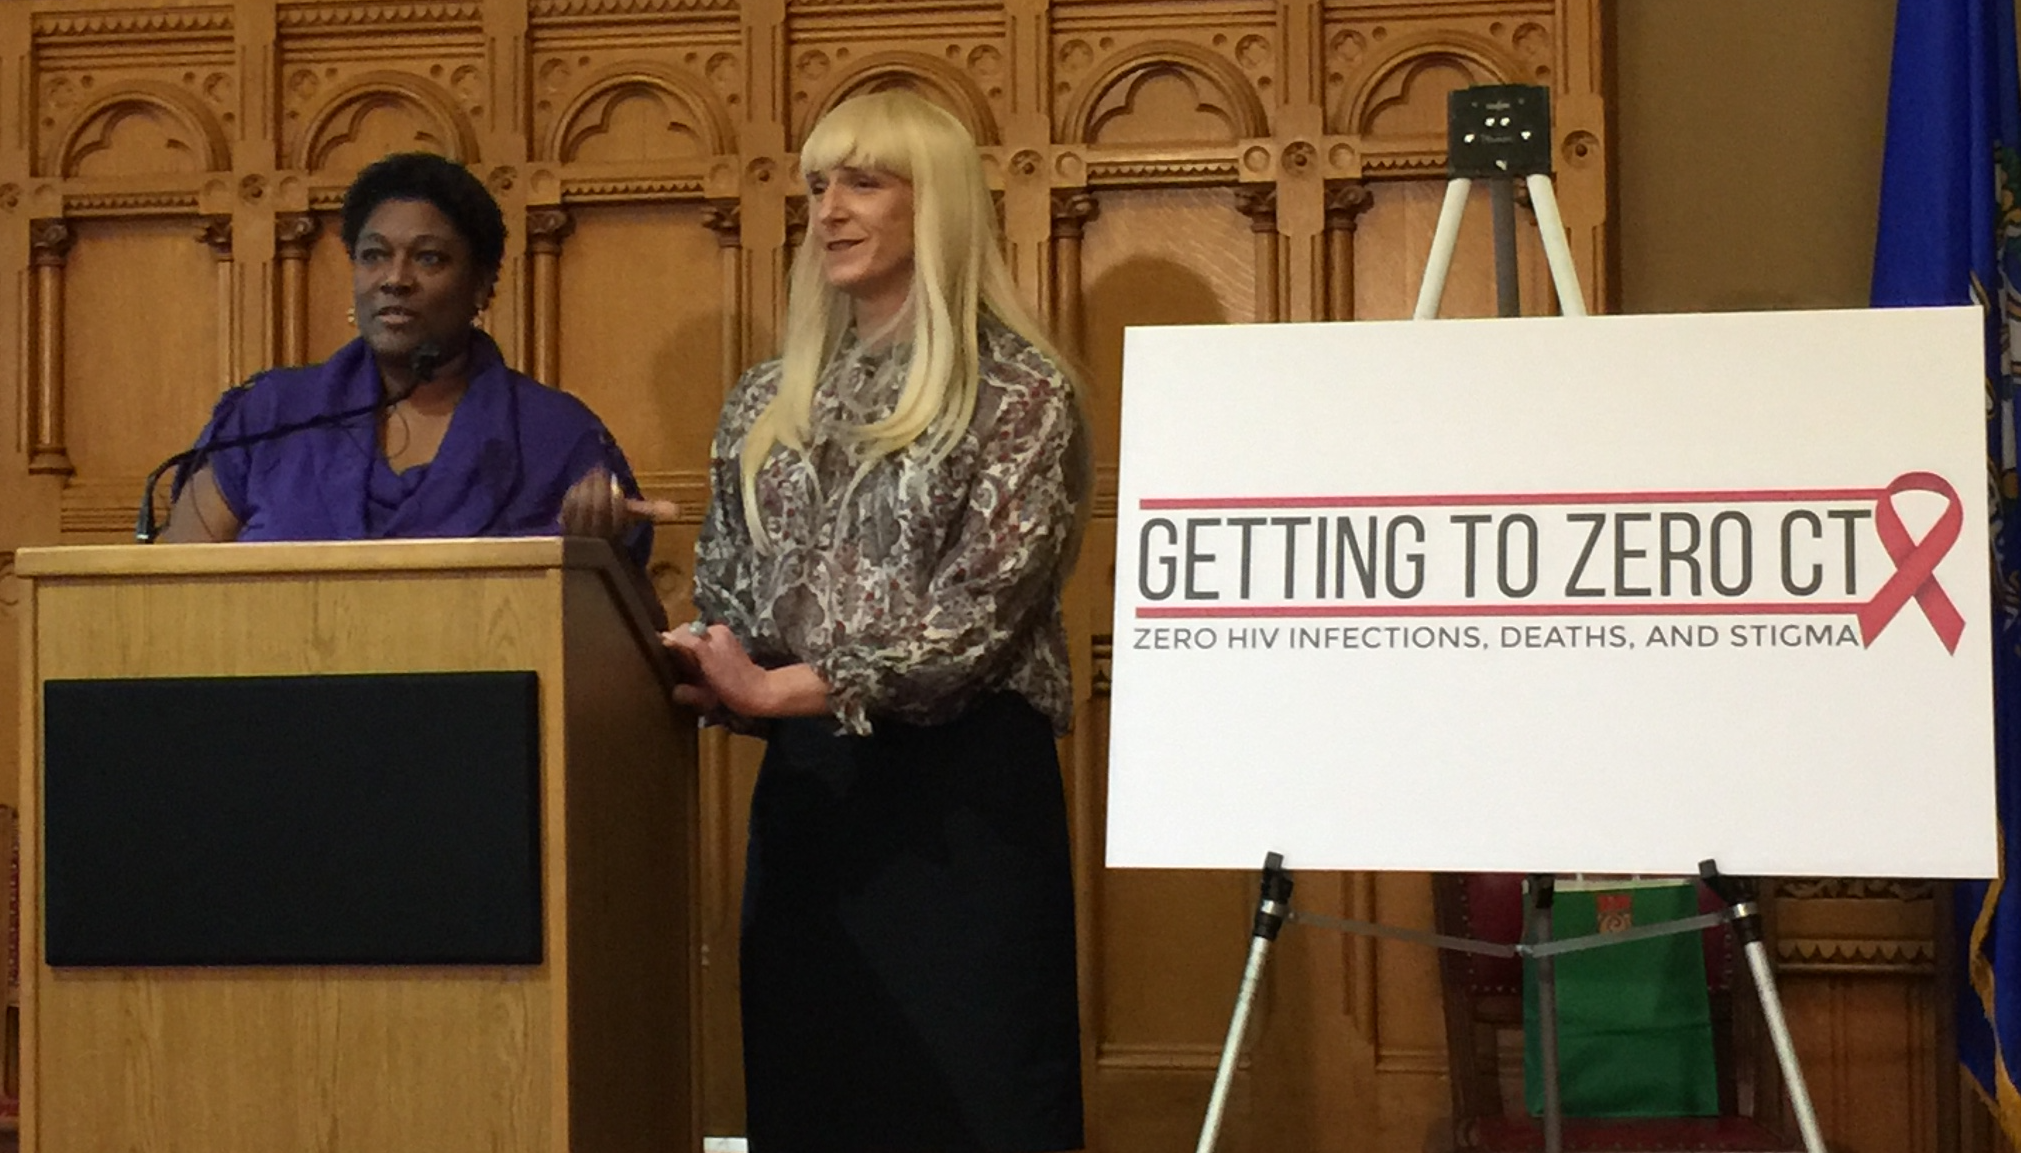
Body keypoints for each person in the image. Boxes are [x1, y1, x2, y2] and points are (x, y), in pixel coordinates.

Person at [666, 90, 1090, 1153]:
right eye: (817, 186)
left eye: (863, 182)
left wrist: (780, 688)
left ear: (933, 204)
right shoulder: (766, 398)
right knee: (817, 1104)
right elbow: (729, 594)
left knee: (977, 1107)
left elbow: (975, 626)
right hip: (813, 803)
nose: (829, 211)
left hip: (963, 811)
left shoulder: (1020, 391)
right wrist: (696, 660)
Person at [159, 151, 663, 556]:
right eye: (374, 255)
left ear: (482, 285)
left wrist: (596, 556)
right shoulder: (273, 416)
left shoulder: (553, 434)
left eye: (428, 258)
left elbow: (633, 630)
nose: (395, 279)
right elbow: (171, 589)